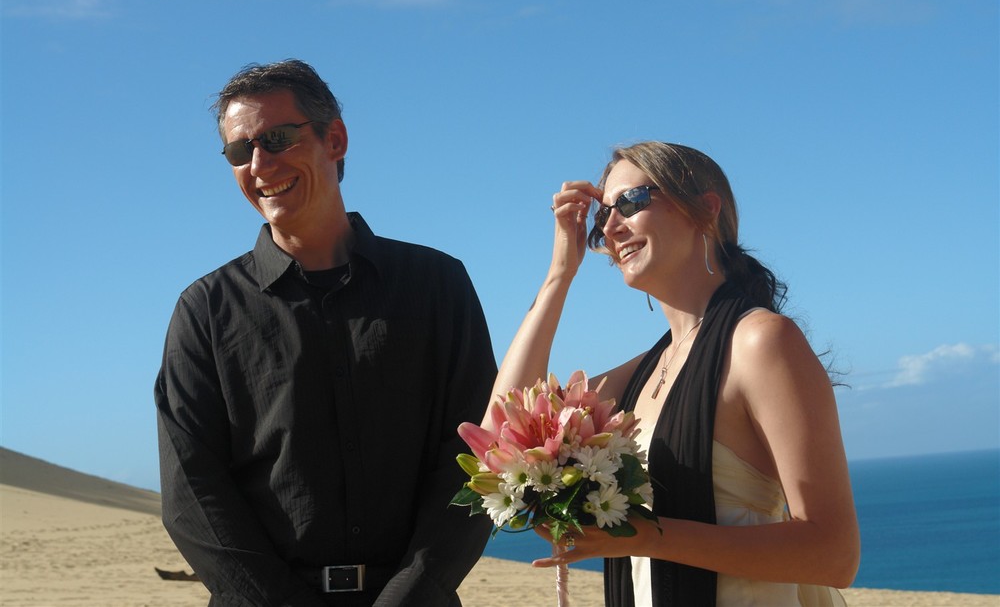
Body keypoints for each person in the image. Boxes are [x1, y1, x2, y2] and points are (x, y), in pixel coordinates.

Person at [154, 59, 497, 606]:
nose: (260, 163)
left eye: (278, 138)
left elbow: (475, 458)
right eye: (240, 151)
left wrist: (410, 596)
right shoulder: (206, 309)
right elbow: (191, 492)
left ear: (334, 139)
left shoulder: (437, 286)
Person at [490, 142, 860, 606]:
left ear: (705, 211)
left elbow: (835, 555)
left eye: (631, 201)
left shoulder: (760, 343)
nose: (611, 226)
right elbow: (502, 432)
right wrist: (559, 274)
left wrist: (650, 538)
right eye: (602, 218)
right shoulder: (645, 372)